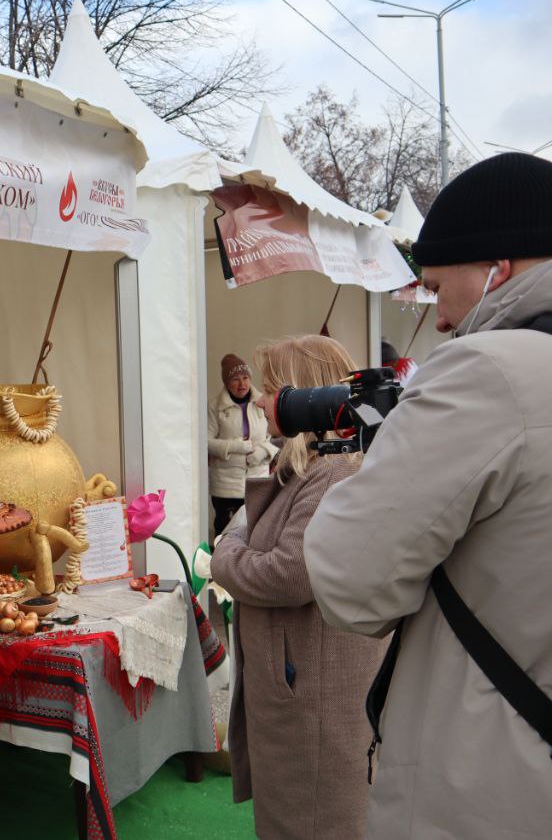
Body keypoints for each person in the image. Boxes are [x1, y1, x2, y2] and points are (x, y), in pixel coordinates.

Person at [304, 153, 552, 837]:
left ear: (497, 268)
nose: (438, 319)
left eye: (439, 287)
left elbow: (349, 583)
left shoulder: (490, 370)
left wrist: (382, 464)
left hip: (495, 786)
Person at [209, 335, 387, 839]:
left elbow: (287, 575)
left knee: (312, 821)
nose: (261, 401)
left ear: (306, 394)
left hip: (315, 700)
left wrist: (226, 552)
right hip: (301, 688)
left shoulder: (332, 474)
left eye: (271, 390)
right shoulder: (315, 468)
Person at [208, 353, 277, 535]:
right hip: (226, 487)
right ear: (226, 382)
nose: (242, 384)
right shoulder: (215, 406)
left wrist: (264, 451)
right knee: (225, 533)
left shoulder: (262, 402)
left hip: (258, 481)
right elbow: (206, 442)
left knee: (256, 532)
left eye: (245, 377)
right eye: (235, 379)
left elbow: (276, 436)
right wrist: (235, 447)